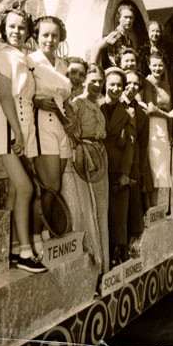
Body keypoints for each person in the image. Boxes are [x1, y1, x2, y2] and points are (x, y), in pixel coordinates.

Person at [0, 3, 47, 273]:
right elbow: (5, 96)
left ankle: (12, 248)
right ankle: (26, 252)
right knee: (26, 188)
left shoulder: (22, 56)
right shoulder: (4, 55)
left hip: (24, 127)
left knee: (16, 190)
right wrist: (17, 131)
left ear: (28, 31)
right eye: (11, 26)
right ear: (3, 29)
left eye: (21, 27)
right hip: (10, 126)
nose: (16, 31)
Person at [28, 16, 74, 255]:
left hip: (61, 126)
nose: (50, 39)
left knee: (57, 185)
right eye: (45, 34)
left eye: (55, 35)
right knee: (50, 186)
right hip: (42, 124)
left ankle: (47, 232)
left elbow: (66, 97)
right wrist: (35, 100)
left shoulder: (63, 64)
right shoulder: (30, 61)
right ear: (36, 36)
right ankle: (36, 234)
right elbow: (21, 95)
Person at [72, 64, 109, 273]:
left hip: (100, 157)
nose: (96, 85)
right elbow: (74, 133)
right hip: (86, 159)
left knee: (102, 210)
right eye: (93, 80)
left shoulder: (98, 104)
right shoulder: (78, 103)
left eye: (99, 82)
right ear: (85, 80)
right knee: (90, 210)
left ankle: (104, 267)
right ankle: (94, 265)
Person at [101, 67, 136, 267]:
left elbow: (130, 146)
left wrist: (125, 174)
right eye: (112, 84)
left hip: (117, 169)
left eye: (119, 85)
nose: (115, 88)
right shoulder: (95, 105)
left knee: (118, 216)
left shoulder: (128, 112)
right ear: (105, 84)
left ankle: (117, 257)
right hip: (97, 168)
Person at [120, 70, 149, 257]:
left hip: (133, 165)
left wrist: (138, 171)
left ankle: (129, 251)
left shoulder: (141, 110)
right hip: (113, 164)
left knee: (133, 208)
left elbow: (142, 143)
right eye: (128, 82)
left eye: (136, 84)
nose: (131, 86)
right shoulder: (110, 102)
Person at [143, 52, 173, 207]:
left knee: (161, 171)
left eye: (160, 65)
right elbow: (150, 108)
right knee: (153, 169)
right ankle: (149, 208)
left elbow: (172, 111)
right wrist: (167, 115)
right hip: (151, 126)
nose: (157, 68)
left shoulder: (166, 86)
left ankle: (156, 208)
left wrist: (172, 132)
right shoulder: (147, 83)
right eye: (154, 65)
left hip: (164, 129)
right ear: (149, 66)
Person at [91, 3, 135, 68]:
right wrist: (93, 67)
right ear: (119, 18)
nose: (128, 20)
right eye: (125, 17)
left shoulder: (128, 39)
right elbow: (96, 47)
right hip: (114, 72)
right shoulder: (116, 34)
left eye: (131, 18)